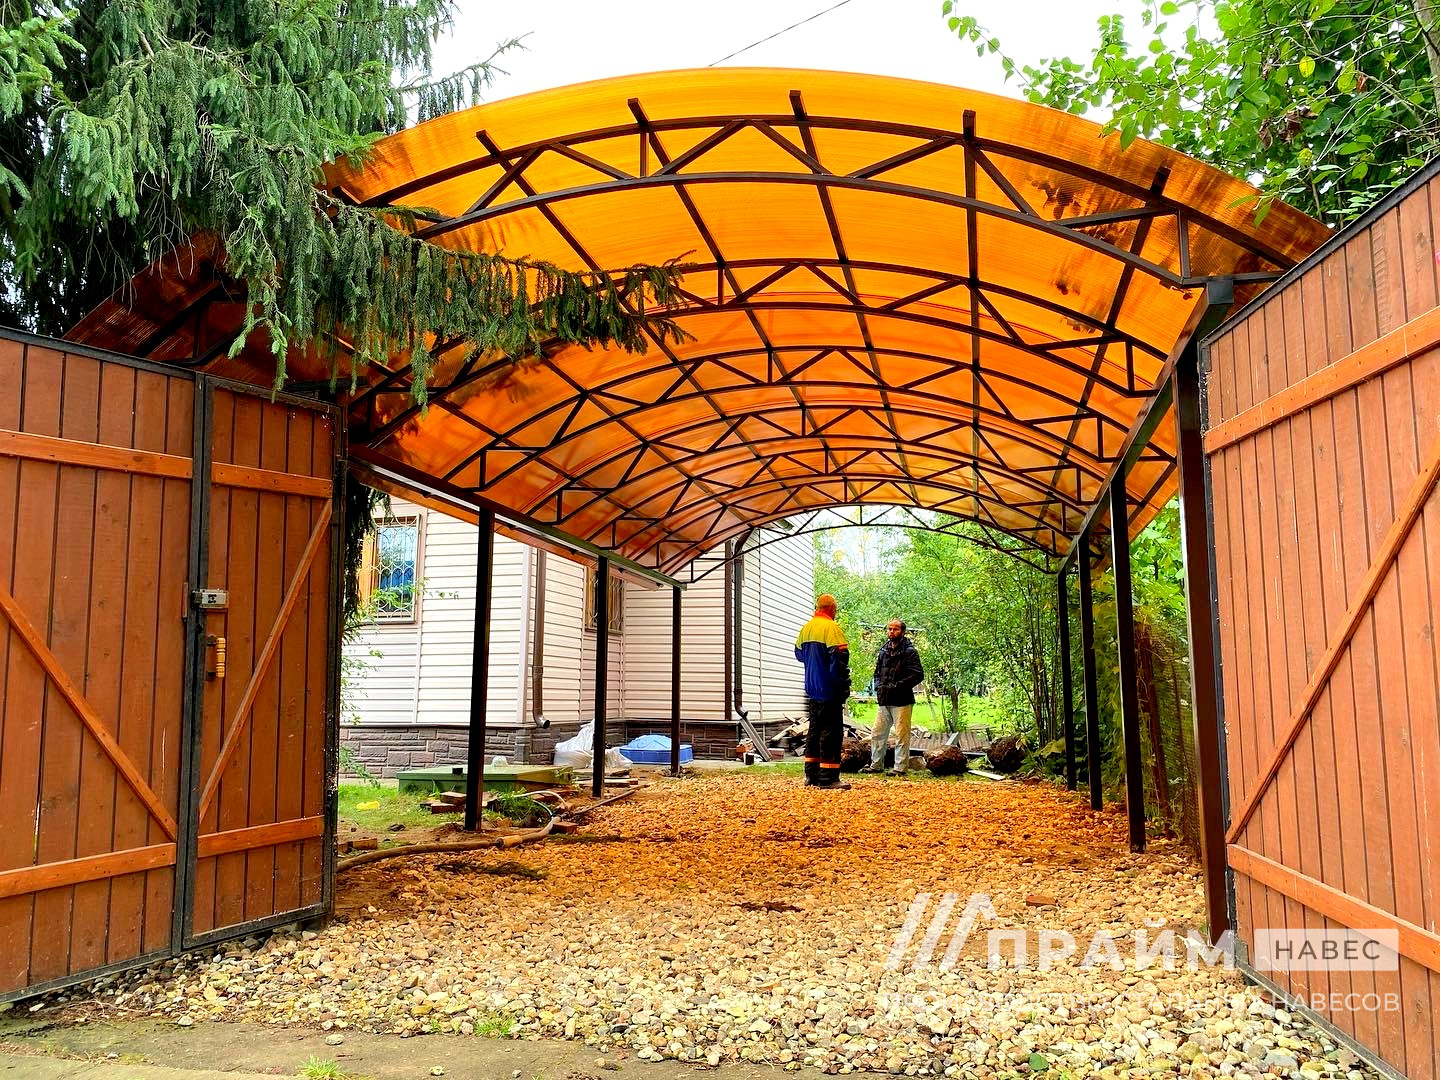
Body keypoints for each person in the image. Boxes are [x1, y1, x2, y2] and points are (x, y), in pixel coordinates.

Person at [794, 593, 851, 789]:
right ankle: (829, 778)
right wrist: (843, 684)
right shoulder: (831, 628)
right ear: (832, 609)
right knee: (831, 733)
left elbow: (799, 655)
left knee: (814, 731)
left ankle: (812, 775)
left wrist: (815, 662)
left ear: (818, 608)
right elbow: (839, 660)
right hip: (829, 688)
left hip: (812, 688)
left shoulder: (806, 628)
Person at [860, 620, 924, 776]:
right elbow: (877, 672)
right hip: (884, 699)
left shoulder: (909, 651)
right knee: (877, 733)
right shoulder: (884, 650)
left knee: (901, 735)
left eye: (895, 629)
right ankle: (876, 765)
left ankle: (900, 768)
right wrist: (878, 685)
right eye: (889, 629)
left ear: (902, 631)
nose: (891, 631)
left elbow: (918, 674)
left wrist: (898, 685)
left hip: (902, 700)